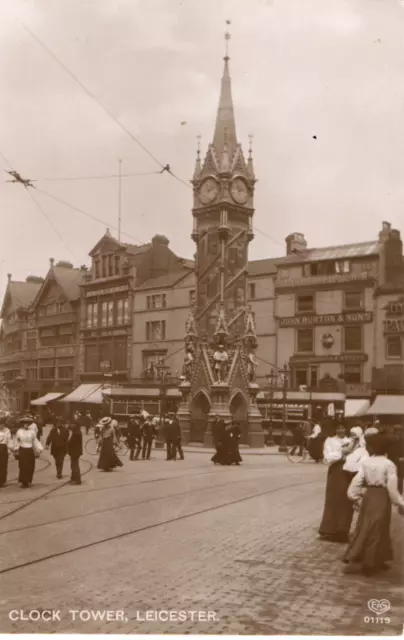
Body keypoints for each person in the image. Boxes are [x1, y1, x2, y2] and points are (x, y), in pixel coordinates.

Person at [343, 433, 404, 575]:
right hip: (381, 497)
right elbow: (392, 489)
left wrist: (354, 497)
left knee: (365, 526)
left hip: (369, 496)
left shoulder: (366, 462)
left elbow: (356, 482)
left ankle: (370, 558)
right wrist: (400, 503)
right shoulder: (389, 464)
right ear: (387, 449)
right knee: (379, 527)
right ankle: (371, 562)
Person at [318, 423, 354, 542]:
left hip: (348, 470)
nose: (340, 430)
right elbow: (327, 457)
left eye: (342, 427)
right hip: (336, 470)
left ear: (346, 429)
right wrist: (341, 453)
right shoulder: (330, 441)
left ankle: (343, 530)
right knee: (333, 499)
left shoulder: (351, 440)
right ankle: (329, 528)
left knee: (345, 499)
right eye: (338, 428)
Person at [15, 416, 38, 488]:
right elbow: (17, 441)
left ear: (29, 424)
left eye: (27, 423)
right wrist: (16, 449)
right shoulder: (19, 431)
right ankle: (23, 482)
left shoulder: (32, 432)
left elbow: (35, 441)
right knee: (22, 466)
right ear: (22, 424)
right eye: (24, 423)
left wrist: (38, 449)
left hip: (30, 450)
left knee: (30, 466)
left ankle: (28, 480)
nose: (26, 425)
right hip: (22, 450)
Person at [0, 416, 13, 487]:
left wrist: (11, 448)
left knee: (3, 465)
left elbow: (9, 439)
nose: (2, 426)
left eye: (3, 424)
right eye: (1, 424)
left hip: (4, 448)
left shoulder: (7, 430)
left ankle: (2, 481)